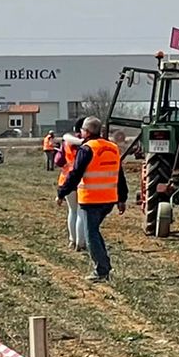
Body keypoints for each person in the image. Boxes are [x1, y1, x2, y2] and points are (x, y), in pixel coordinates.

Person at [56, 116, 125, 283]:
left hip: (91, 199)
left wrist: (61, 192)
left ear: (86, 132)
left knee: (91, 234)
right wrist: (122, 198)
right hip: (109, 199)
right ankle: (104, 264)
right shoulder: (113, 148)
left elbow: (75, 174)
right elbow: (120, 175)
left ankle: (101, 270)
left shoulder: (87, 149)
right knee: (94, 231)